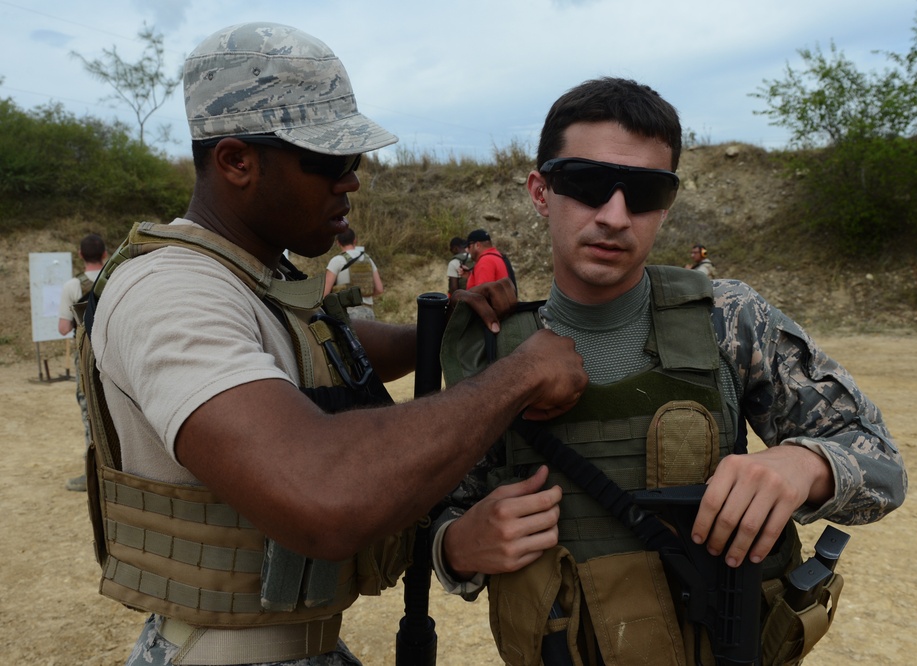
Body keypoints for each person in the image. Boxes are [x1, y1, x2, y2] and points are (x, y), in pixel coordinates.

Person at [80, 22, 587, 666]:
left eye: (355, 159)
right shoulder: (172, 292)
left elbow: (318, 347)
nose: (351, 180)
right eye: (328, 161)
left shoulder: (251, 273)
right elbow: (321, 493)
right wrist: (515, 377)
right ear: (236, 161)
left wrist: (435, 334)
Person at [432, 77, 907, 665]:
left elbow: (883, 468)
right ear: (540, 190)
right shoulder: (492, 349)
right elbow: (442, 507)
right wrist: (456, 546)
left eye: (644, 191)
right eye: (585, 183)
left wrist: (805, 464)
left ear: (667, 203)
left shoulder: (730, 320)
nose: (614, 216)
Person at [56, 233, 107, 491]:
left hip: (87, 356)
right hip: (115, 351)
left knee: (89, 409)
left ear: (80, 255)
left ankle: (95, 475)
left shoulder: (72, 286)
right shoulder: (115, 278)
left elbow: (64, 327)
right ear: (105, 255)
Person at [323, 226, 383, 320]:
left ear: (338, 242)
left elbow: (325, 293)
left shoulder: (337, 261)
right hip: (368, 312)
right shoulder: (368, 259)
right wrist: (364, 293)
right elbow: (379, 289)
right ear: (355, 240)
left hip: (348, 312)